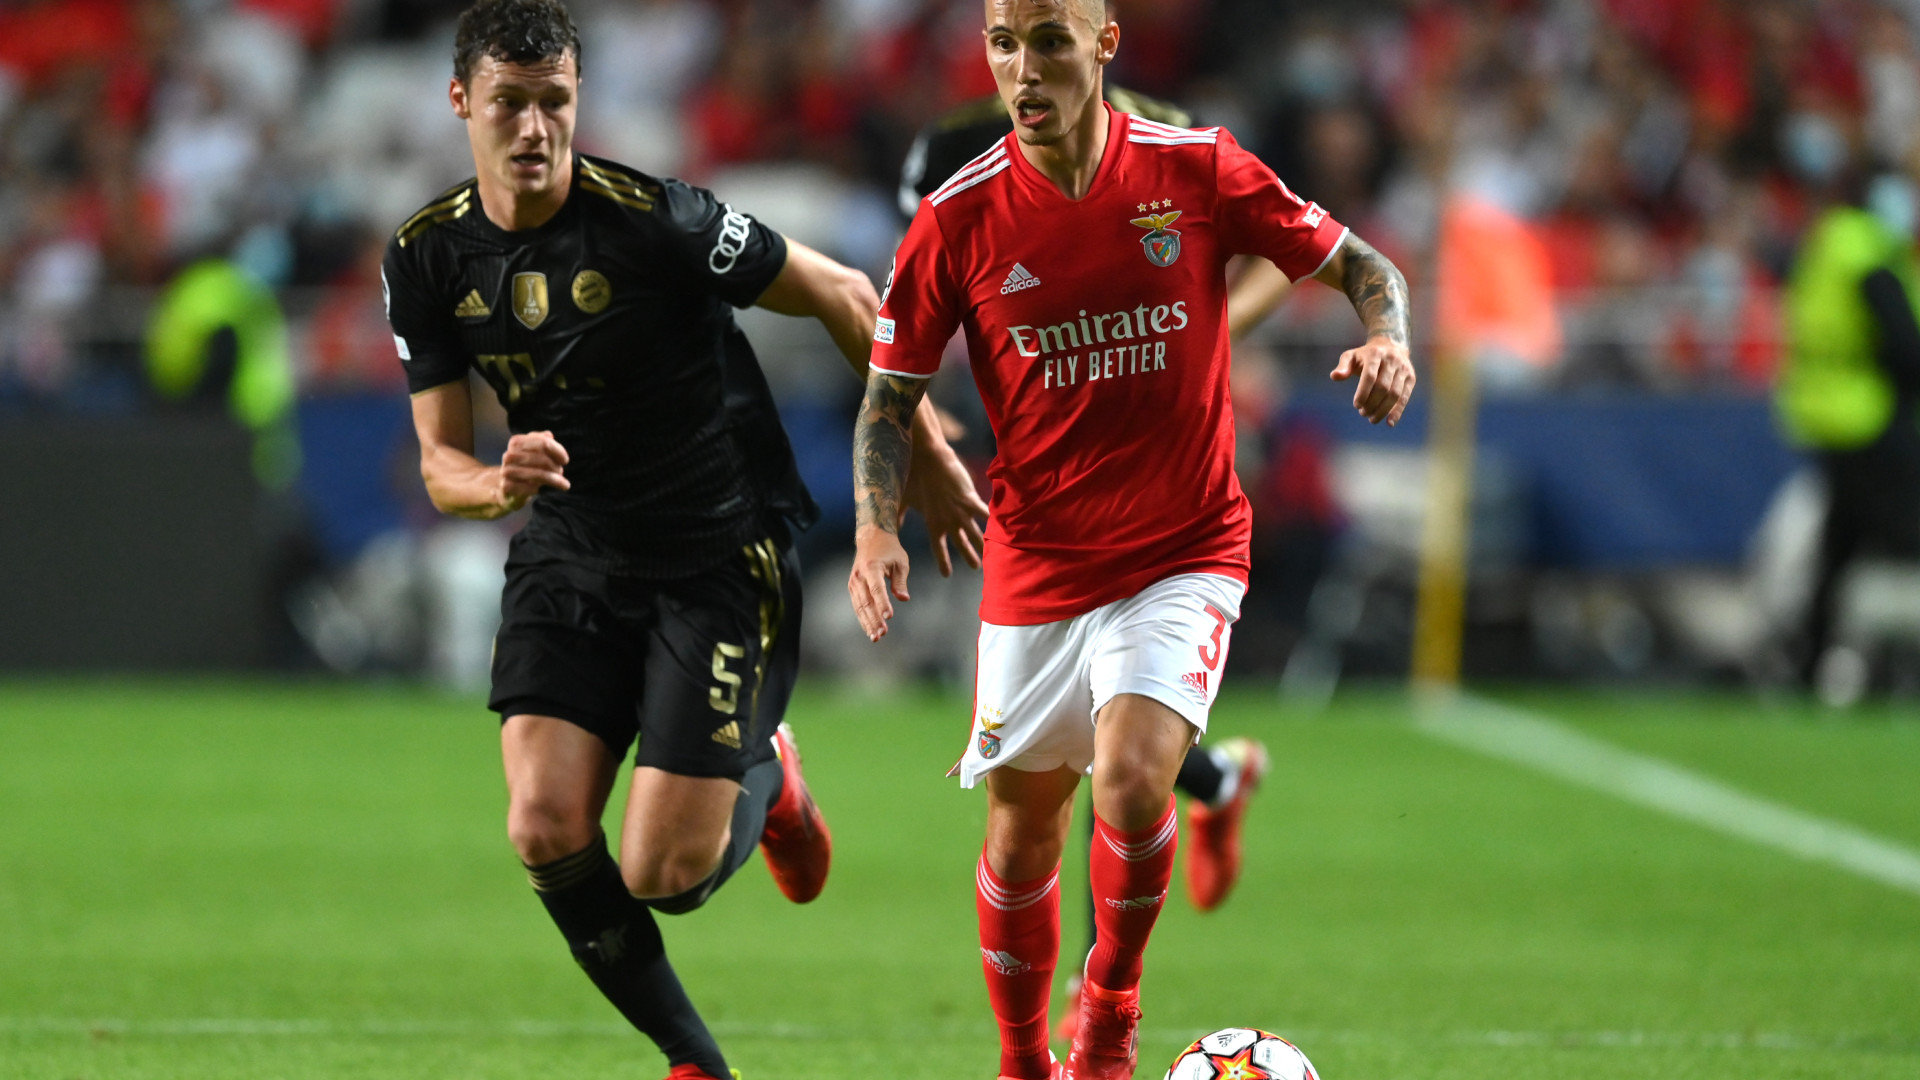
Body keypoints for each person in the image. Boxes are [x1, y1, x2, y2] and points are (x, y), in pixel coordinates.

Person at [380, 3, 986, 1078]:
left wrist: (928, 459)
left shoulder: (657, 221)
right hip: (570, 552)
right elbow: (440, 463)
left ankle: (775, 771)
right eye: (510, 103)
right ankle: (694, 1061)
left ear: (578, 103)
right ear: (461, 101)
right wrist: (493, 483)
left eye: (554, 102)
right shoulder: (427, 257)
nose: (533, 127)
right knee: (543, 825)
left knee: (666, 872)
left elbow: (848, 293)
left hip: (712, 553)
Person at [848, 2, 1415, 1078]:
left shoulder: (1195, 166)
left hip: (1184, 545)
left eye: (1050, 40)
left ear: (1104, 43)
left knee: (1132, 779)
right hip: (1040, 559)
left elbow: (1363, 265)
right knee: (1020, 839)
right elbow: (887, 399)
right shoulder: (954, 212)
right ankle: (1024, 1064)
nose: (1025, 66)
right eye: (1005, 43)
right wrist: (879, 528)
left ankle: (1108, 1011)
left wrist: (1386, 339)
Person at [897, 59, 1287, 929]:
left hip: (1160, 445)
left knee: (1114, 753)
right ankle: (1219, 784)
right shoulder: (954, 153)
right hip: (1040, 450)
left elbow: (1273, 256)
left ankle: (1090, 980)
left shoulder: (1163, 131)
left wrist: (1203, 341)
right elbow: (912, 300)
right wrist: (918, 430)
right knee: (1070, 735)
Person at [1778, 173, 1920, 689]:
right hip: (1865, 415)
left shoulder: (1825, 248)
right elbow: (1903, 343)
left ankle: (1809, 659)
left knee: (1841, 543)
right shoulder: (1866, 252)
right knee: (1902, 529)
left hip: (1823, 414)